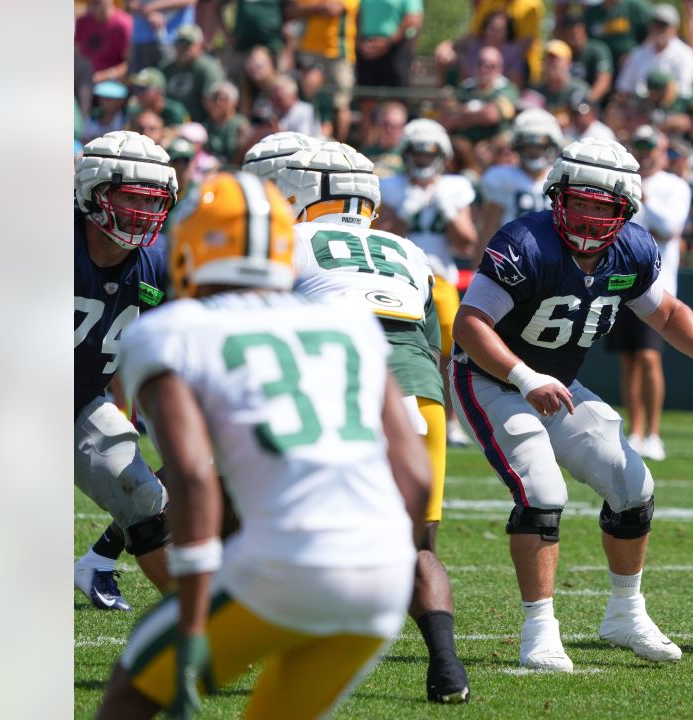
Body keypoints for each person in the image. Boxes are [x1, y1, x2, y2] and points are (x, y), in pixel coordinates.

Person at [95, 171, 430, 719]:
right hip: (383, 577)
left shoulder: (171, 329)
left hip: (284, 561)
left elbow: (194, 477)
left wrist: (193, 613)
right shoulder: (347, 323)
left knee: (132, 692)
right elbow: (415, 477)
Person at [449, 136, 693, 671]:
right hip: (491, 380)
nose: (591, 217)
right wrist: (525, 378)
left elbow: (663, 312)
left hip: (559, 386)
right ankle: (540, 629)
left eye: (604, 207)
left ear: (625, 211)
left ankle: (626, 613)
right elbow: (470, 324)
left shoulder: (634, 250)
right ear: (558, 196)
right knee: (542, 492)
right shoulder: (525, 243)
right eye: (581, 202)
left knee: (634, 486)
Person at [273, 142, 471, 703]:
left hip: (335, 385)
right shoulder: (408, 250)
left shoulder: (292, 239)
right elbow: (434, 344)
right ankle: (447, 667)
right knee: (421, 546)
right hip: (416, 396)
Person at [73, 131, 178, 611]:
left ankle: (193, 624)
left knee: (144, 499)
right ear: (94, 192)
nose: (141, 210)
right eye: (130, 196)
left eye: (150, 200)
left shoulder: (158, 263)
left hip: (79, 402)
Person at [377, 120, 479, 446]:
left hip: (439, 277)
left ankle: (450, 421)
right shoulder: (391, 186)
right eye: (417, 152)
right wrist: (403, 214)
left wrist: (447, 211)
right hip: (396, 275)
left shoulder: (454, 188)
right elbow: (379, 238)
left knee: (451, 345)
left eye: (428, 152)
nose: (422, 159)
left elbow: (467, 243)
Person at [606, 126, 691, 461]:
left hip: (658, 282)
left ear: (664, 148)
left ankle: (654, 432)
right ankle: (636, 430)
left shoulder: (674, 186)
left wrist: (644, 199)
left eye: (651, 147)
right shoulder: (624, 180)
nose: (646, 152)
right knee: (628, 359)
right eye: (640, 146)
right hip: (621, 278)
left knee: (649, 357)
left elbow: (670, 229)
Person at [478, 109, 564, 248]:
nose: (534, 152)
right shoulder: (501, 177)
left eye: (540, 146)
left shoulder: (561, 178)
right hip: (511, 255)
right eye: (529, 146)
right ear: (518, 145)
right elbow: (489, 228)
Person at [286, 0, 359, 140]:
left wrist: (310, 9)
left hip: (339, 53)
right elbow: (292, 10)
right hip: (308, 50)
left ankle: (338, 148)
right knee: (308, 97)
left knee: (341, 104)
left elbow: (333, 9)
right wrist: (320, 8)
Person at [614, 3, 693, 99]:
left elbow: (684, 91)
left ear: (675, 28)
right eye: (656, 24)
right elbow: (623, 88)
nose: (659, 29)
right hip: (640, 108)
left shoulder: (686, 55)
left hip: (672, 109)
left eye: (664, 25)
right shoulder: (638, 54)